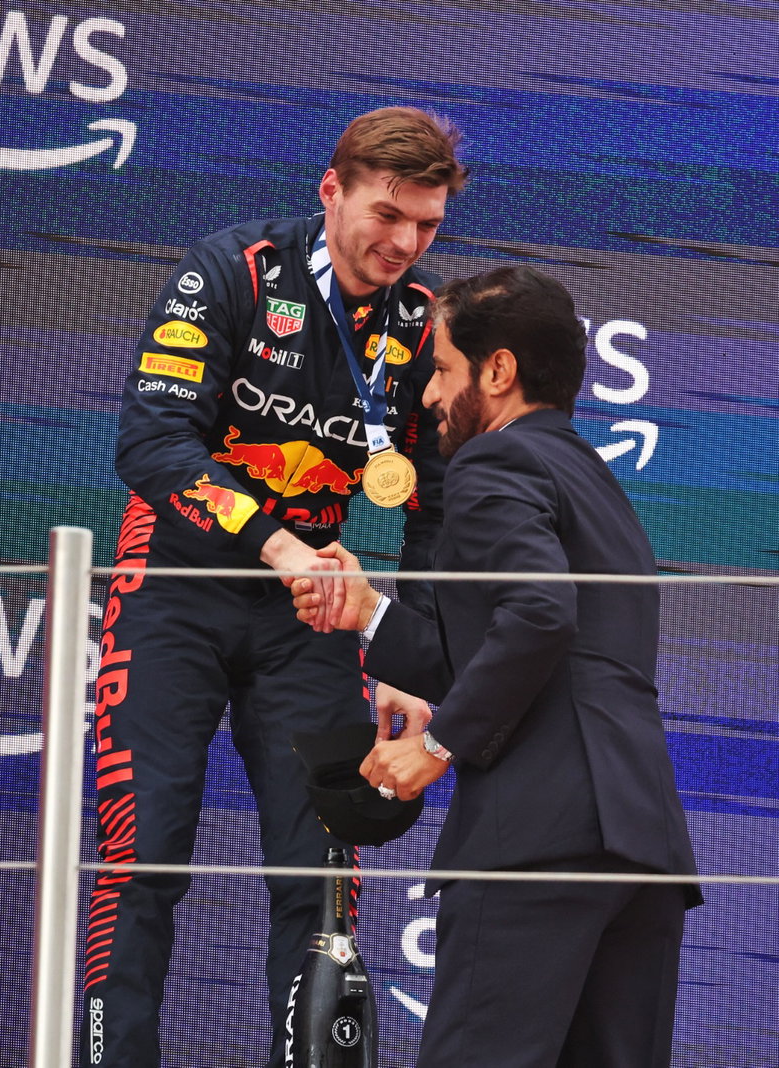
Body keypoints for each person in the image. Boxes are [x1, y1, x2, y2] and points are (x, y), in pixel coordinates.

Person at [80, 106, 468, 1067]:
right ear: (331, 191)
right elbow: (151, 444)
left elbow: (438, 507)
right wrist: (283, 548)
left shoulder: (423, 322)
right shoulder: (231, 271)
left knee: (325, 871)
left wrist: (411, 664)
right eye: (387, 215)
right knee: (145, 851)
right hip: (175, 583)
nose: (404, 244)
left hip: (314, 614)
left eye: (426, 225)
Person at [291, 265, 699, 1067]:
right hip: (641, 847)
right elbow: (513, 647)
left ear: (499, 370)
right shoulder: (595, 482)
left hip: (535, 842)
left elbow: (543, 615)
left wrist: (437, 747)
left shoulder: (491, 464)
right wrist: (367, 610)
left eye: (442, 369)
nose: (432, 396)